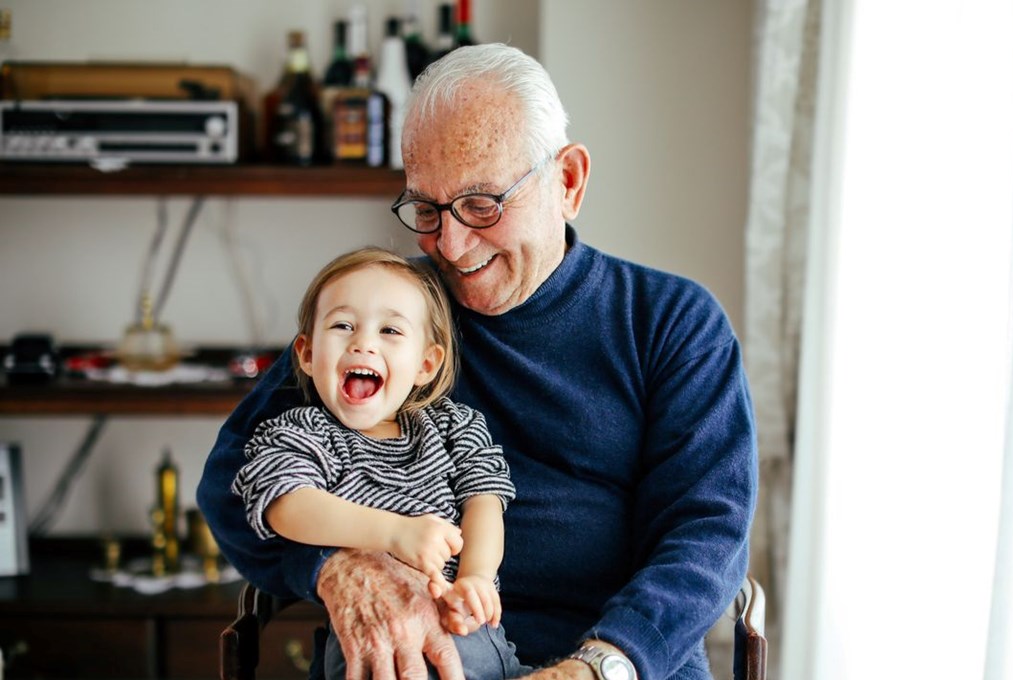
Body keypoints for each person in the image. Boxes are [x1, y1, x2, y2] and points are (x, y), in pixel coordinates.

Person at [199, 43, 758, 680]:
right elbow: (234, 478)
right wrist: (335, 564)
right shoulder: (390, 314)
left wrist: (596, 667)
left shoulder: (671, 321)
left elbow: (706, 535)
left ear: (568, 181)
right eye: (427, 210)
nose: (453, 246)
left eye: (482, 204)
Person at [230, 248, 528, 680]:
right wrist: (394, 532)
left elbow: (485, 500)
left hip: (465, 628)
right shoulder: (303, 431)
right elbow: (286, 505)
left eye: (390, 330)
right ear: (308, 354)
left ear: (427, 363)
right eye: (342, 325)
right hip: (369, 641)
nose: (363, 342)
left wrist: (477, 576)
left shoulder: (453, 426)